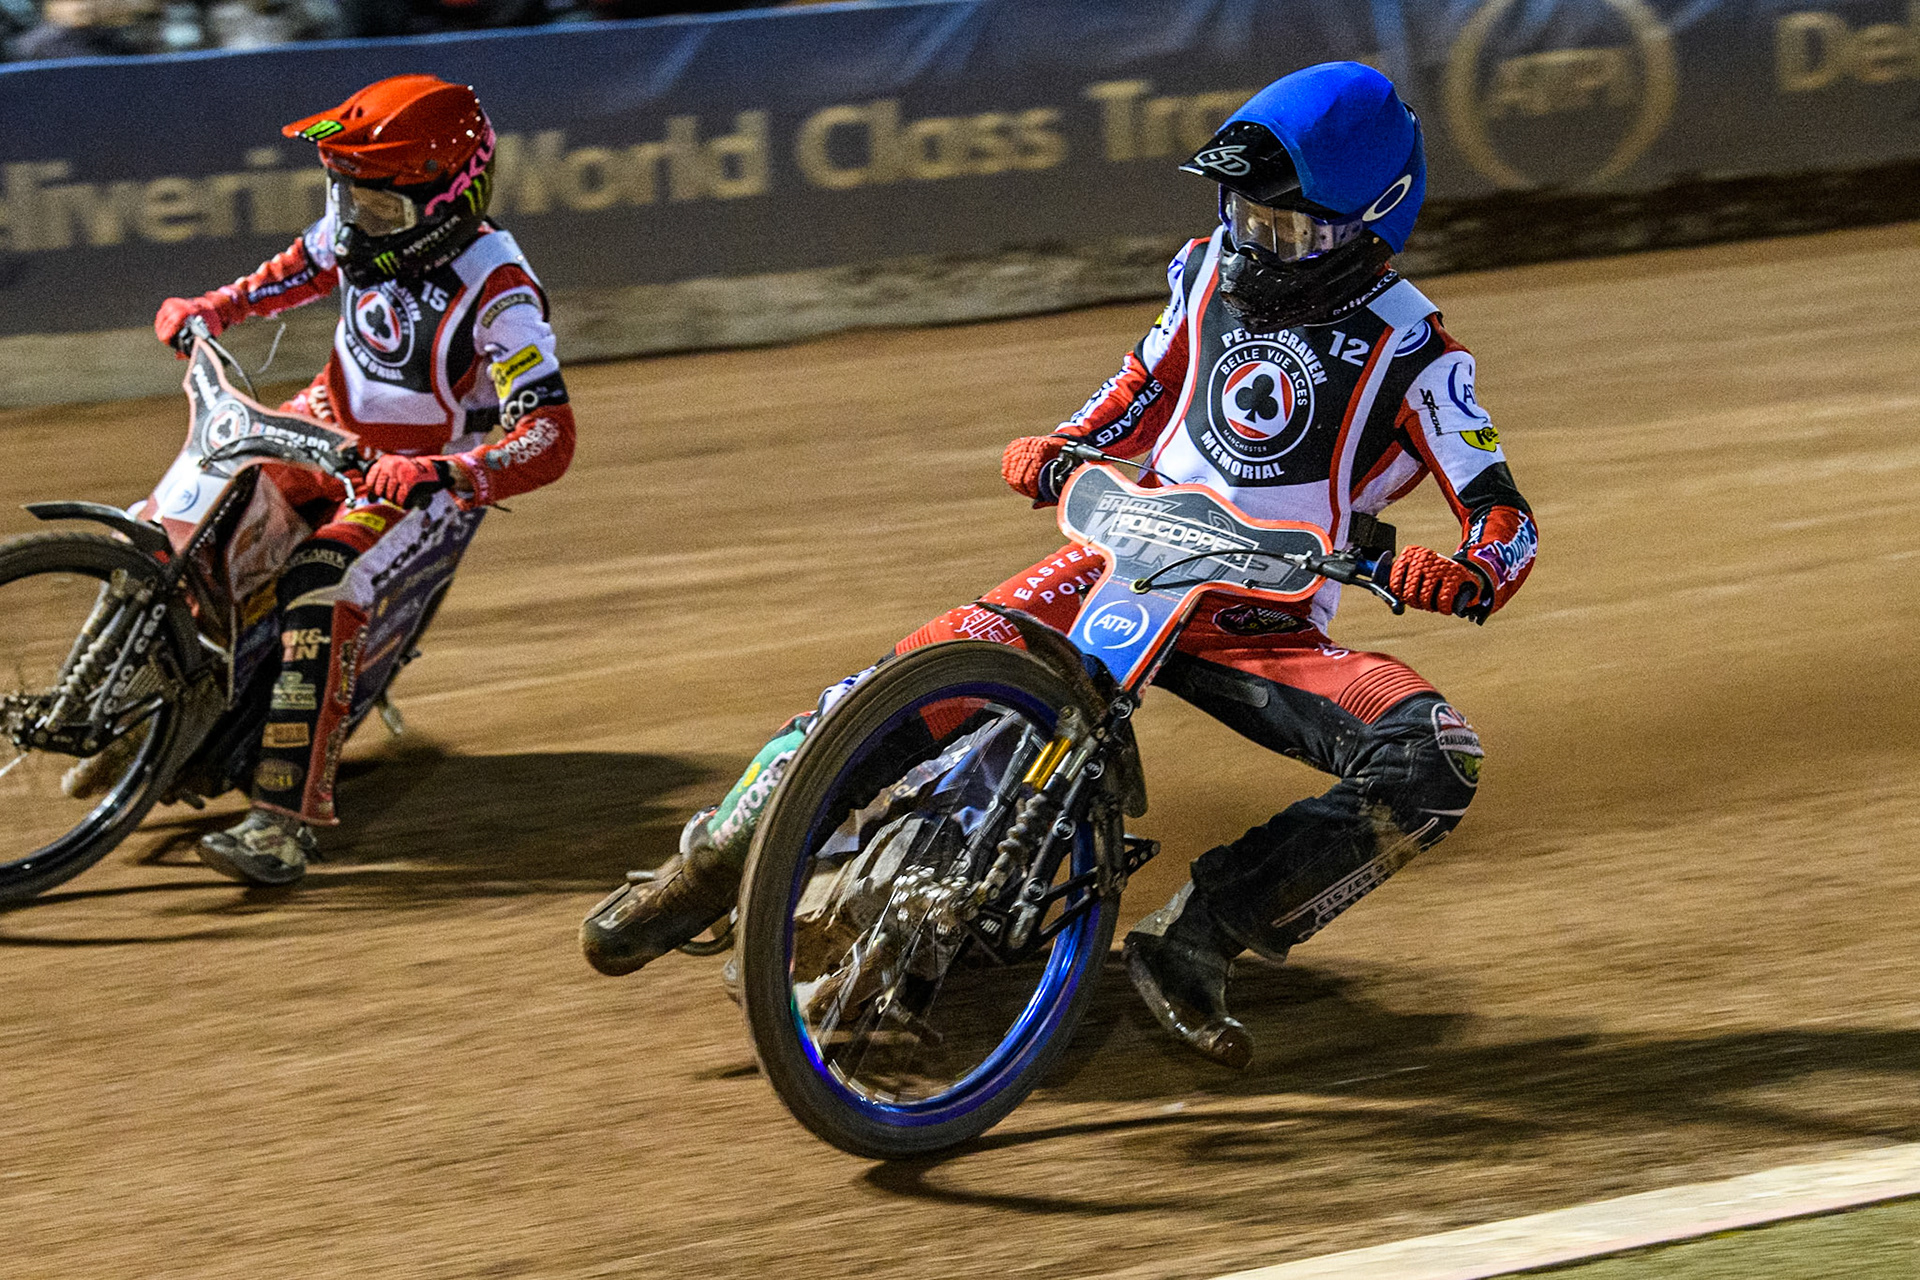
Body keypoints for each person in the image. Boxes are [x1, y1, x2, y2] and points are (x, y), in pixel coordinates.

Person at [579, 62, 1538, 1068]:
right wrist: (1064, 443)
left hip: (1264, 622)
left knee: (1438, 757)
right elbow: (1138, 387)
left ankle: (1198, 938)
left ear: (1373, 221)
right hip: (1125, 557)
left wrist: (1468, 570)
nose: (1256, 240)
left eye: (1287, 227)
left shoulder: (1421, 356)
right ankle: (717, 856)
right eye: (1245, 212)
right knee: (912, 677)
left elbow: (1503, 516)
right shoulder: (1205, 269)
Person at [149, 74, 574, 886]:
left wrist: (453, 472)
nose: (353, 222)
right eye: (344, 195)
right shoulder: (362, 217)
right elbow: (291, 272)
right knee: (189, 515)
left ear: (452, 200)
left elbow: (549, 435)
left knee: (321, 580)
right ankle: (152, 706)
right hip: (322, 424)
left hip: (415, 477)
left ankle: (282, 825)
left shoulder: (501, 293)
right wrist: (213, 308)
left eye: (376, 207)